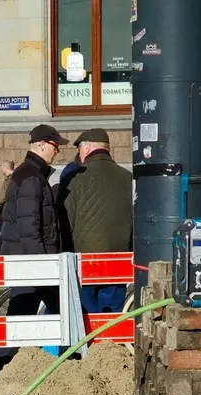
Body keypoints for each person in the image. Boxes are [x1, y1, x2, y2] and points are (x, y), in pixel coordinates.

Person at [0, 124, 67, 381]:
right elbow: (29, 227)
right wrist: (40, 265)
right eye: (54, 145)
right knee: (53, 316)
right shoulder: (31, 177)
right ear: (42, 145)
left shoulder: (30, 174)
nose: (58, 150)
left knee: (27, 317)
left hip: (30, 259)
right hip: (33, 262)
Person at [61, 128, 133, 314]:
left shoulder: (75, 177)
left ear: (86, 149)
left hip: (84, 260)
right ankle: (111, 343)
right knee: (112, 315)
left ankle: (91, 343)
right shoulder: (127, 177)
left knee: (86, 315)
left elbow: (65, 218)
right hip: (118, 258)